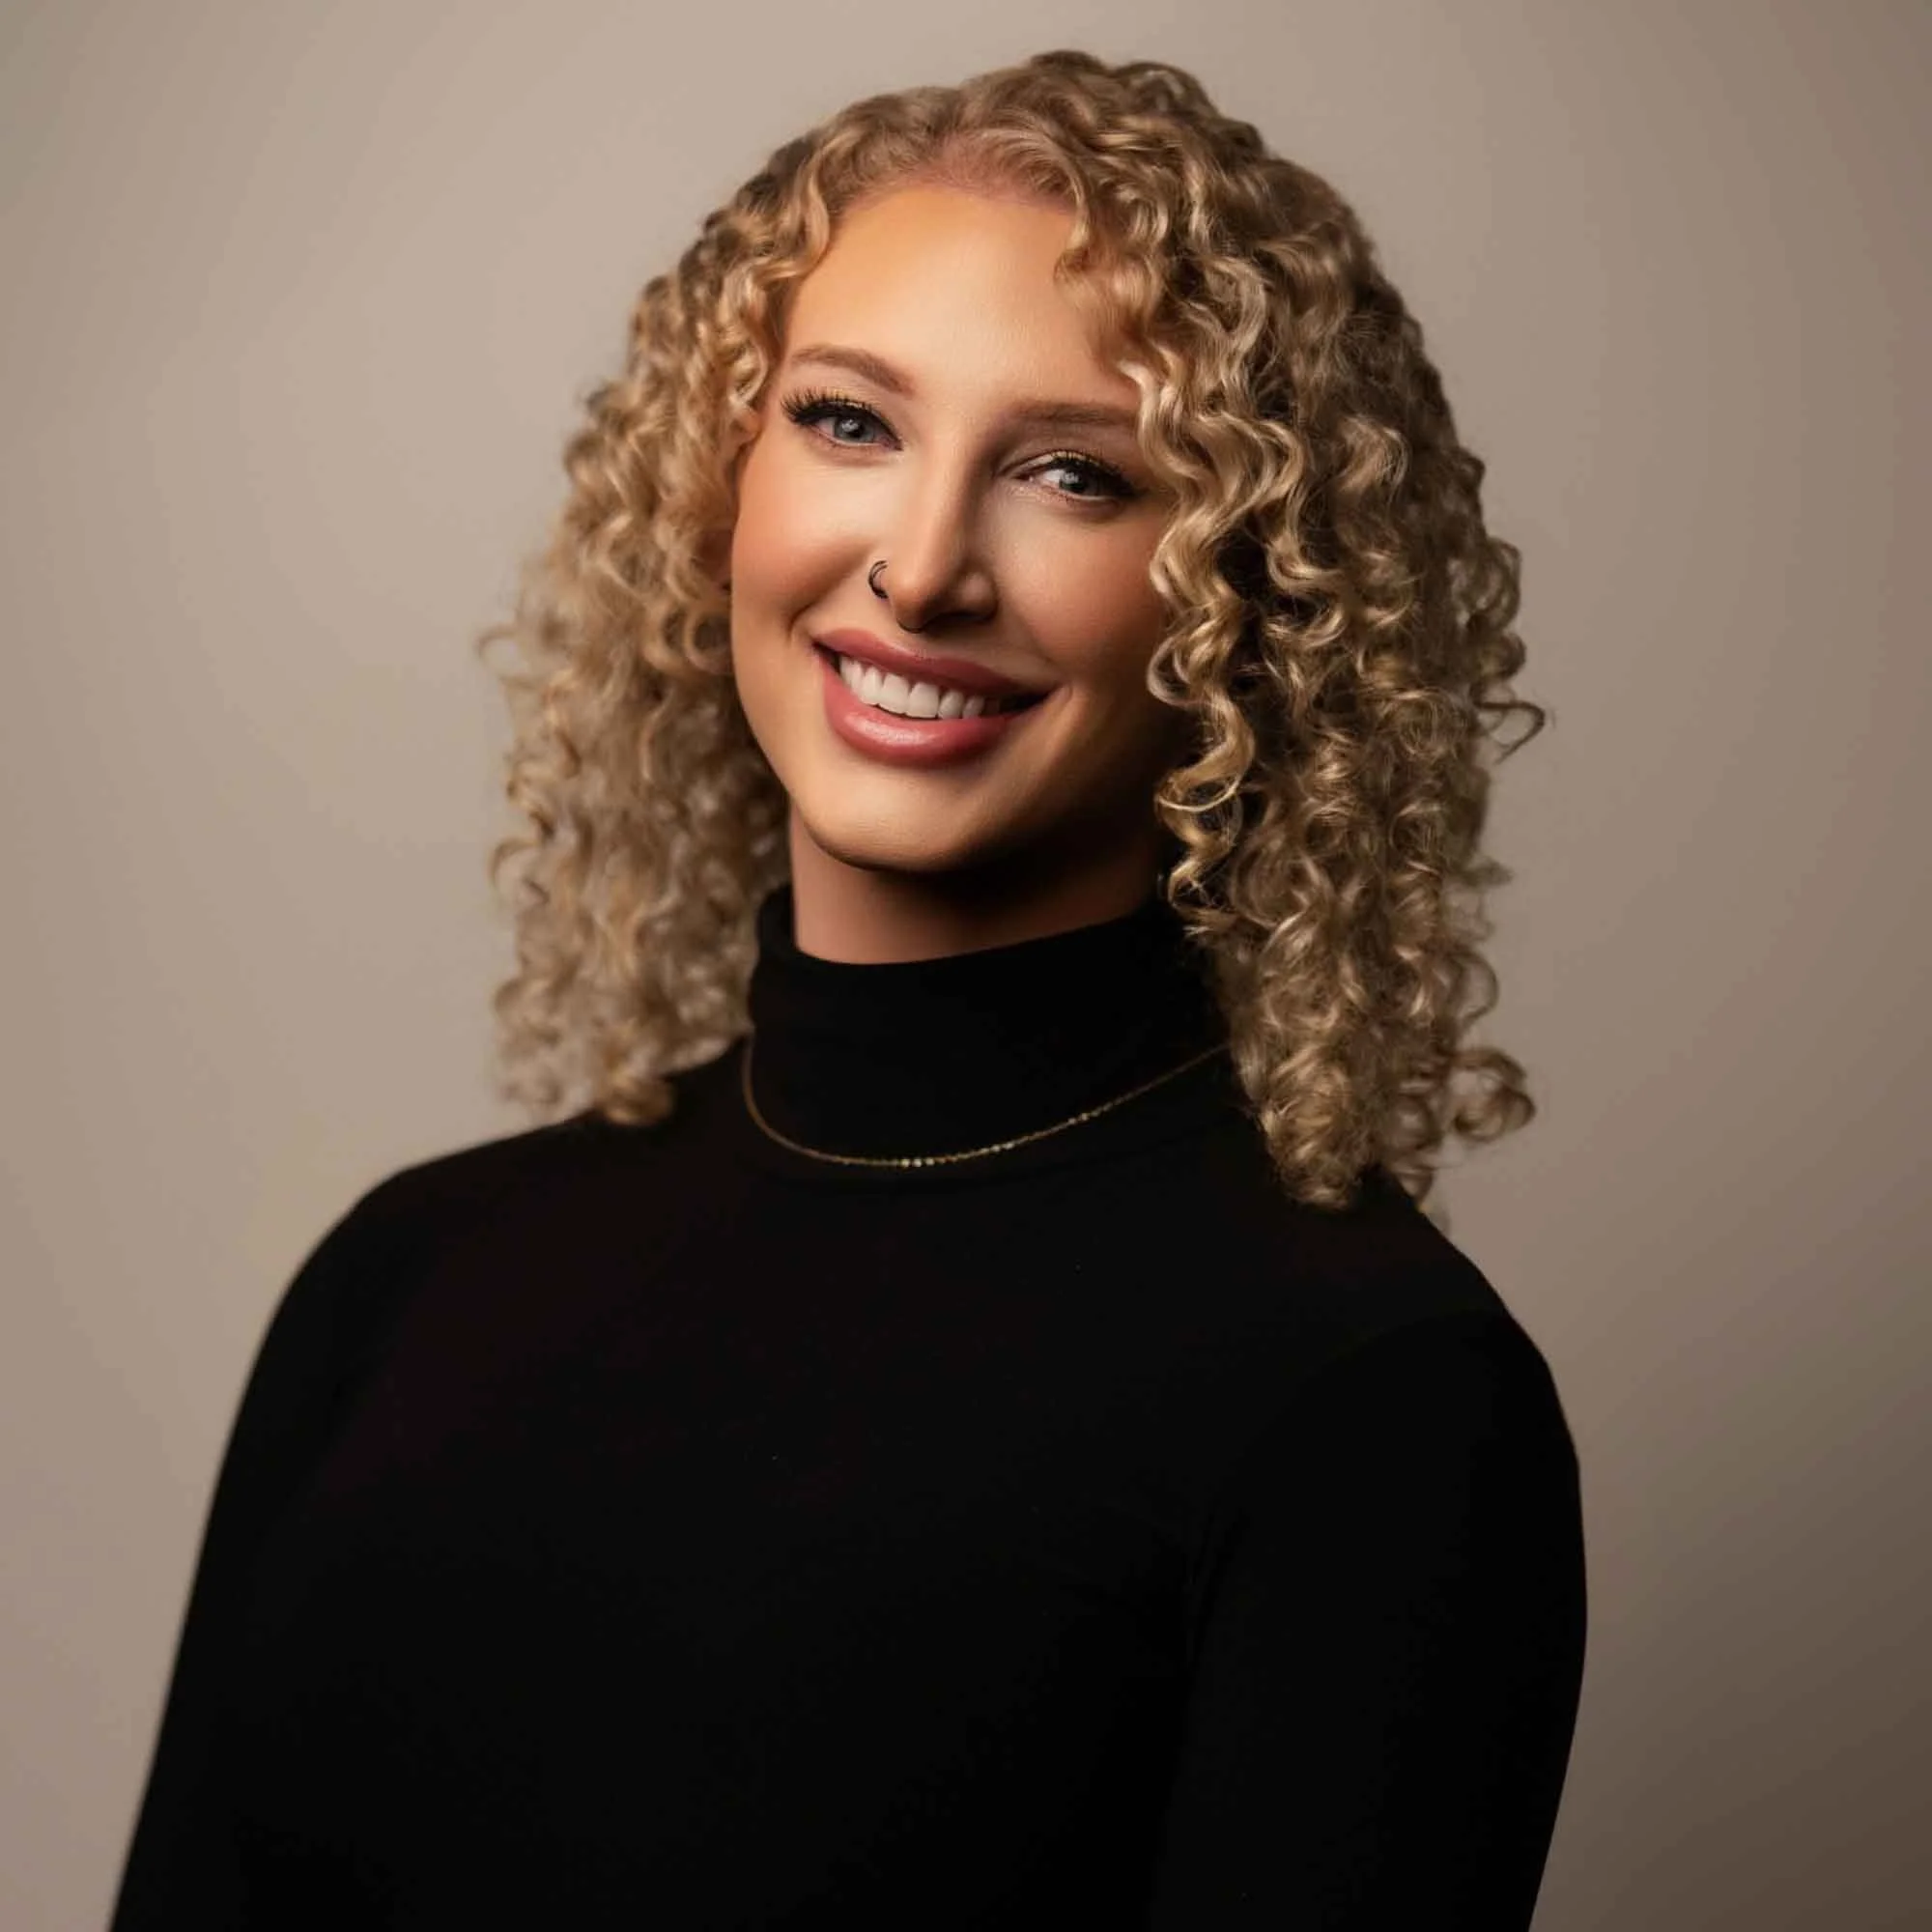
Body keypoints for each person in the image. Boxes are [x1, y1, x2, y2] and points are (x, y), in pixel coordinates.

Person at [110, 48, 1584, 1930]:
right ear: (720, 484)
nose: (921, 566)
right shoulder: (402, 1277)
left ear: (1255, 600)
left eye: (1075, 472)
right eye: (848, 422)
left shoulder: (1369, 1398)